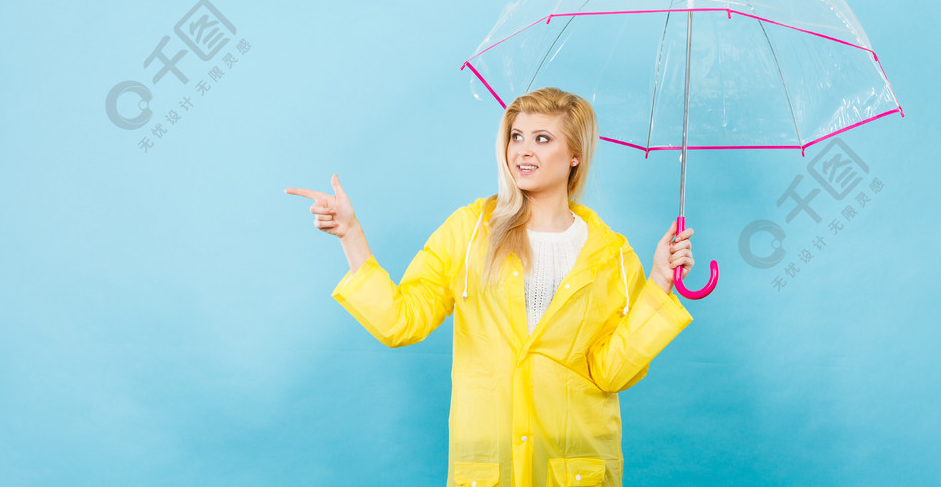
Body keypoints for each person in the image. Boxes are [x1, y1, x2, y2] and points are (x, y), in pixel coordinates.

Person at [286, 87, 695, 487]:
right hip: (489, 469)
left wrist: (660, 281)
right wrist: (350, 235)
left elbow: (611, 372)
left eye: (542, 138)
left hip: (574, 468)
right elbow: (400, 321)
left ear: (575, 155)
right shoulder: (469, 231)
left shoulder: (612, 254)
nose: (523, 150)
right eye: (516, 136)